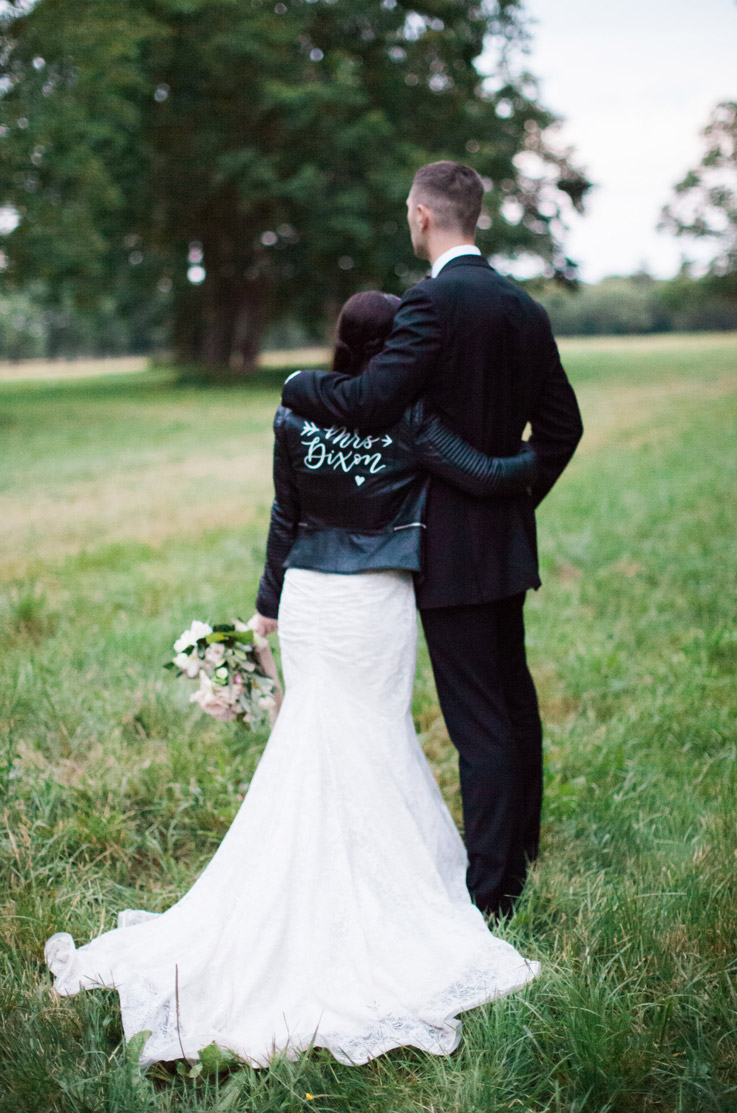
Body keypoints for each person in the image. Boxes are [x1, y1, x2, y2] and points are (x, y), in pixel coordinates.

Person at [44, 290, 540, 1069]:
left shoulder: (296, 409)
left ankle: (295, 882)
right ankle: (368, 893)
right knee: (370, 732)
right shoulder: (407, 416)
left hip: (309, 596)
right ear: (401, 347)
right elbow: (479, 474)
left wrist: (267, 604)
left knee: (312, 733)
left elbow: (285, 514)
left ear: (340, 340)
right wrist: (536, 456)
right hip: (373, 601)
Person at [282, 161, 583, 919]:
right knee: (512, 701)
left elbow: (367, 400)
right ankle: (520, 851)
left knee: (478, 717)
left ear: (421, 215)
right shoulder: (523, 307)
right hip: (506, 539)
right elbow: (562, 429)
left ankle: (490, 895)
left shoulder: (431, 305)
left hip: (447, 545)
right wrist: (512, 492)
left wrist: (296, 385)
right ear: (471, 215)